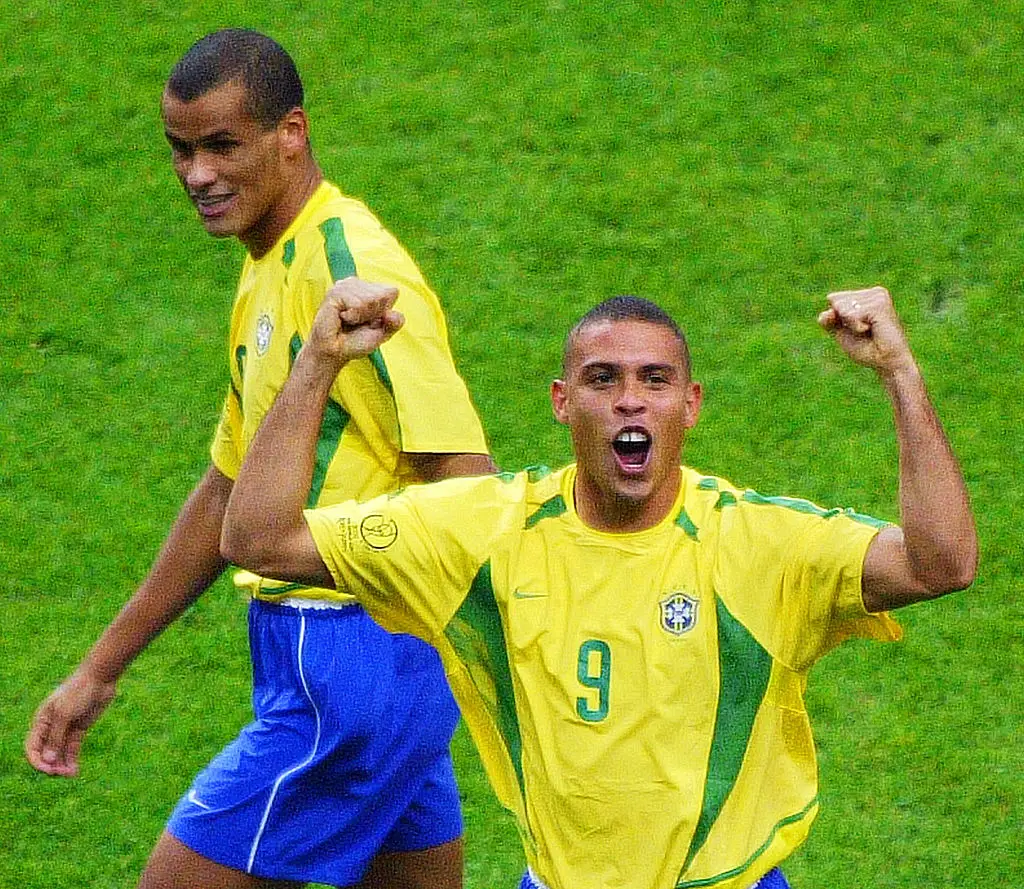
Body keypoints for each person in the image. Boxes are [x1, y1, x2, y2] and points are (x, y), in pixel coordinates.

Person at [220, 278, 977, 889]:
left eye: (655, 379)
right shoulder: (484, 534)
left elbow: (942, 563)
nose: (629, 400)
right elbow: (257, 539)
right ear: (561, 401)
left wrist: (900, 373)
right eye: (602, 379)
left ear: (691, 404)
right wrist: (318, 361)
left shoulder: (760, 543)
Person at [25, 29, 494, 889]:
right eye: (180, 150)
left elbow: (467, 480)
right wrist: (101, 666)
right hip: (363, 664)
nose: (196, 173)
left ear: (292, 133)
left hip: (348, 662)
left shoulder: (357, 275)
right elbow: (228, 489)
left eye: (220, 145)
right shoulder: (273, 260)